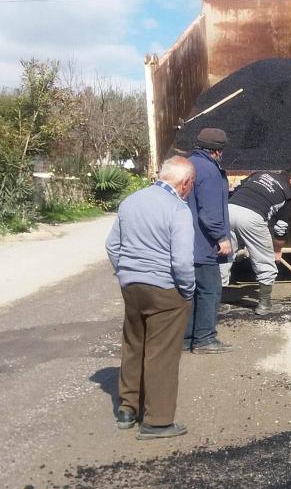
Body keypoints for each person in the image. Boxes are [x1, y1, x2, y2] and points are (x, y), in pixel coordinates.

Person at [104, 156, 196, 440]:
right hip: (165, 290)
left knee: (134, 345)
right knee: (162, 354)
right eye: (191, 185)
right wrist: (188, 290)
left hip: (131, 287)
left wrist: (126, 272)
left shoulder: (131, 201)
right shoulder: (178, 209)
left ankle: (127, 409)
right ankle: (156, 422)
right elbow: (181, 261)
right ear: (185, 183)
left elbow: (112, 245)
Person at [227, 167, 291, 315]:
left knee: (224, 255)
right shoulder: (287, 195)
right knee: (265, 261)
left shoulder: (260, 174)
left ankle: (215, 302)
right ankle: (264, 305)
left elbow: (237, 187)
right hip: (252, 218)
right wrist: (277, 251)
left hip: (229, 210)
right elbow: (280, 228)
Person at [183, 128, 234, 354]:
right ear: (217, 151)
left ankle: (187, 338)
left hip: (185, 242)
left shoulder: (187, 165)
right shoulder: (210, 171)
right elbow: (209, 211)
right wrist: (221, 237)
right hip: (203, 243)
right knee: (210, 290)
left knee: (190, 292)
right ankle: (204, 340)